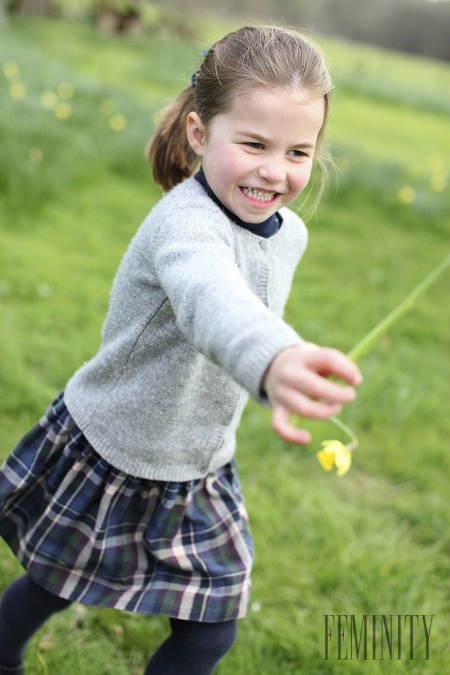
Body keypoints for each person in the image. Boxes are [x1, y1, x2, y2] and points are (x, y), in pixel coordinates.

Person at [0, 25, 362, 675]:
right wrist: (273, 360)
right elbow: (211, 299)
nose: (275, 171)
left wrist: (286, 355)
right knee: (54, 584)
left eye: (298, 151)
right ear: (200, 133)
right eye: (253, 143)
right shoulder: (184, 223)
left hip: (199, 462)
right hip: (113, 446)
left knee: (210, 630)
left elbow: (250, 305)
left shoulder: (291, 233)